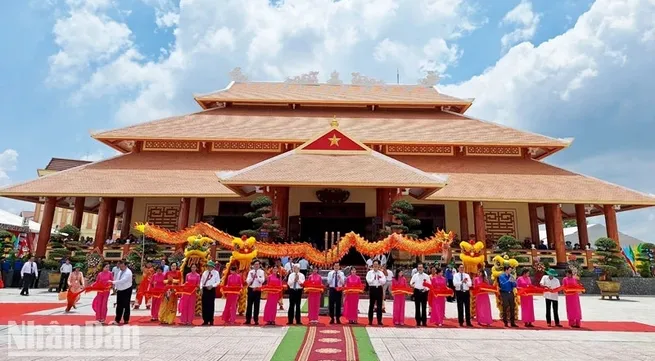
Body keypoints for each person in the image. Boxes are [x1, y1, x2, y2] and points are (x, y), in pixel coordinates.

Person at [110, 260, 133, 325]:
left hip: (127, 289)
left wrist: (113, 282)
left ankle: (126, 319)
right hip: (120, 290)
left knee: (126, 305)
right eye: (120, 265)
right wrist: (115, 287)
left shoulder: (128, 272)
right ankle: (117, 319)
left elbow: (123, 280)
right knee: (119, 305)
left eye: (122, 266)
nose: (120, 267)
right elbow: (117, 279)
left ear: (125, 265)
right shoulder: (120, 271)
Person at [245, 260, 266, 325]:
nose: (256, 265)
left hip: (257, 290)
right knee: (249, 305)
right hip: (251, 289)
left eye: (257, 264)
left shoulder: (262, 272)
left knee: (256, 305)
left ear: (259, 265)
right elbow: (247, 281)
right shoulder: (251, 272)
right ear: (253, 265)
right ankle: (248, 320)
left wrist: (257, 277)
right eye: (255, 264)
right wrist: (252, 277)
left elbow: (262, 280)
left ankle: (256, 320)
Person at [366, 260, 386, 326]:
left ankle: (379, 320)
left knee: (379, 306)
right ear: (372, 265)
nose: (375, 266)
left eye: (377, 264)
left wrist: (379, 279)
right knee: (371, 305)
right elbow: (368, 281)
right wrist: (373, 279)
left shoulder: (381, 273)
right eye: (374, 264)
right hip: (372, 289)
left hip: (379, 289)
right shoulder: (369, 273)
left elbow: (384, 281)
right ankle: (370, 320)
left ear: (379, 265)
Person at [200, 260, 220, 325]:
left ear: (213, 267)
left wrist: (212, 286)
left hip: (211, 289)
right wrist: (201, 288)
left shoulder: (216, 273)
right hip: (205, 289)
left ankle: (211, 320)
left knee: (211, 305)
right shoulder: (204, 273)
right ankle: (205, 320)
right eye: (208, 266)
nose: (209, 267)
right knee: (204, 305)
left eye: (210, 266)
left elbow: (218, 282)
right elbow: (201, 281)